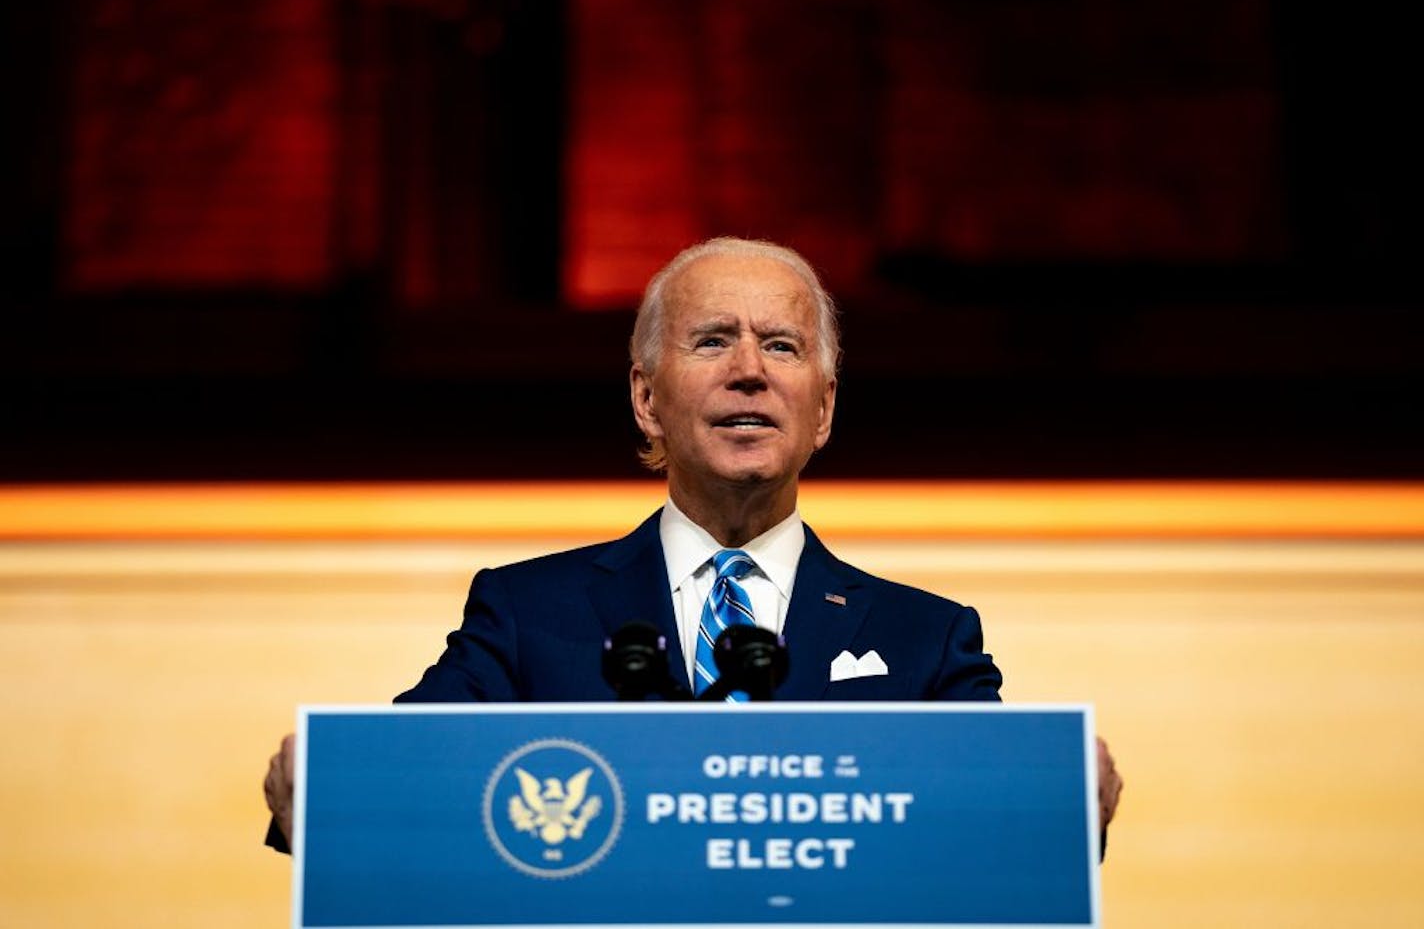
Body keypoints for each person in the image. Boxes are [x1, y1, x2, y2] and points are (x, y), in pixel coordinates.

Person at [263, 236, 1123, 850]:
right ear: (647, 399)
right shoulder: (529, 615)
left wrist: (1061, 787)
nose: (748, 369)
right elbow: (403, 767)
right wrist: (333, 775)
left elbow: (1011, 810)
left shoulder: (923, 639)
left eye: (781, 346)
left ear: (821, 409)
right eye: (712, 340)